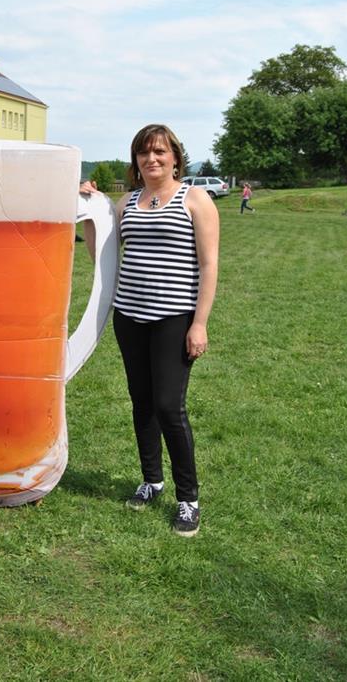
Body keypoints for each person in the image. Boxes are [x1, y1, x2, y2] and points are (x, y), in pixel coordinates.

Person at [81, 124, 219, 537]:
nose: (151, 159)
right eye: (144, 153)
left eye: (159, 152)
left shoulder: (195, 199)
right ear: (136, 160)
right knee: (142, 402)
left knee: (169, 407)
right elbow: (101, 254)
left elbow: (209, 265)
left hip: (174, 319)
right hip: (130, 317)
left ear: (175, 157)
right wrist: (90, 210)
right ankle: (152, 481)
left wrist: (199, 324)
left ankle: (188, 499)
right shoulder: (127, 202)